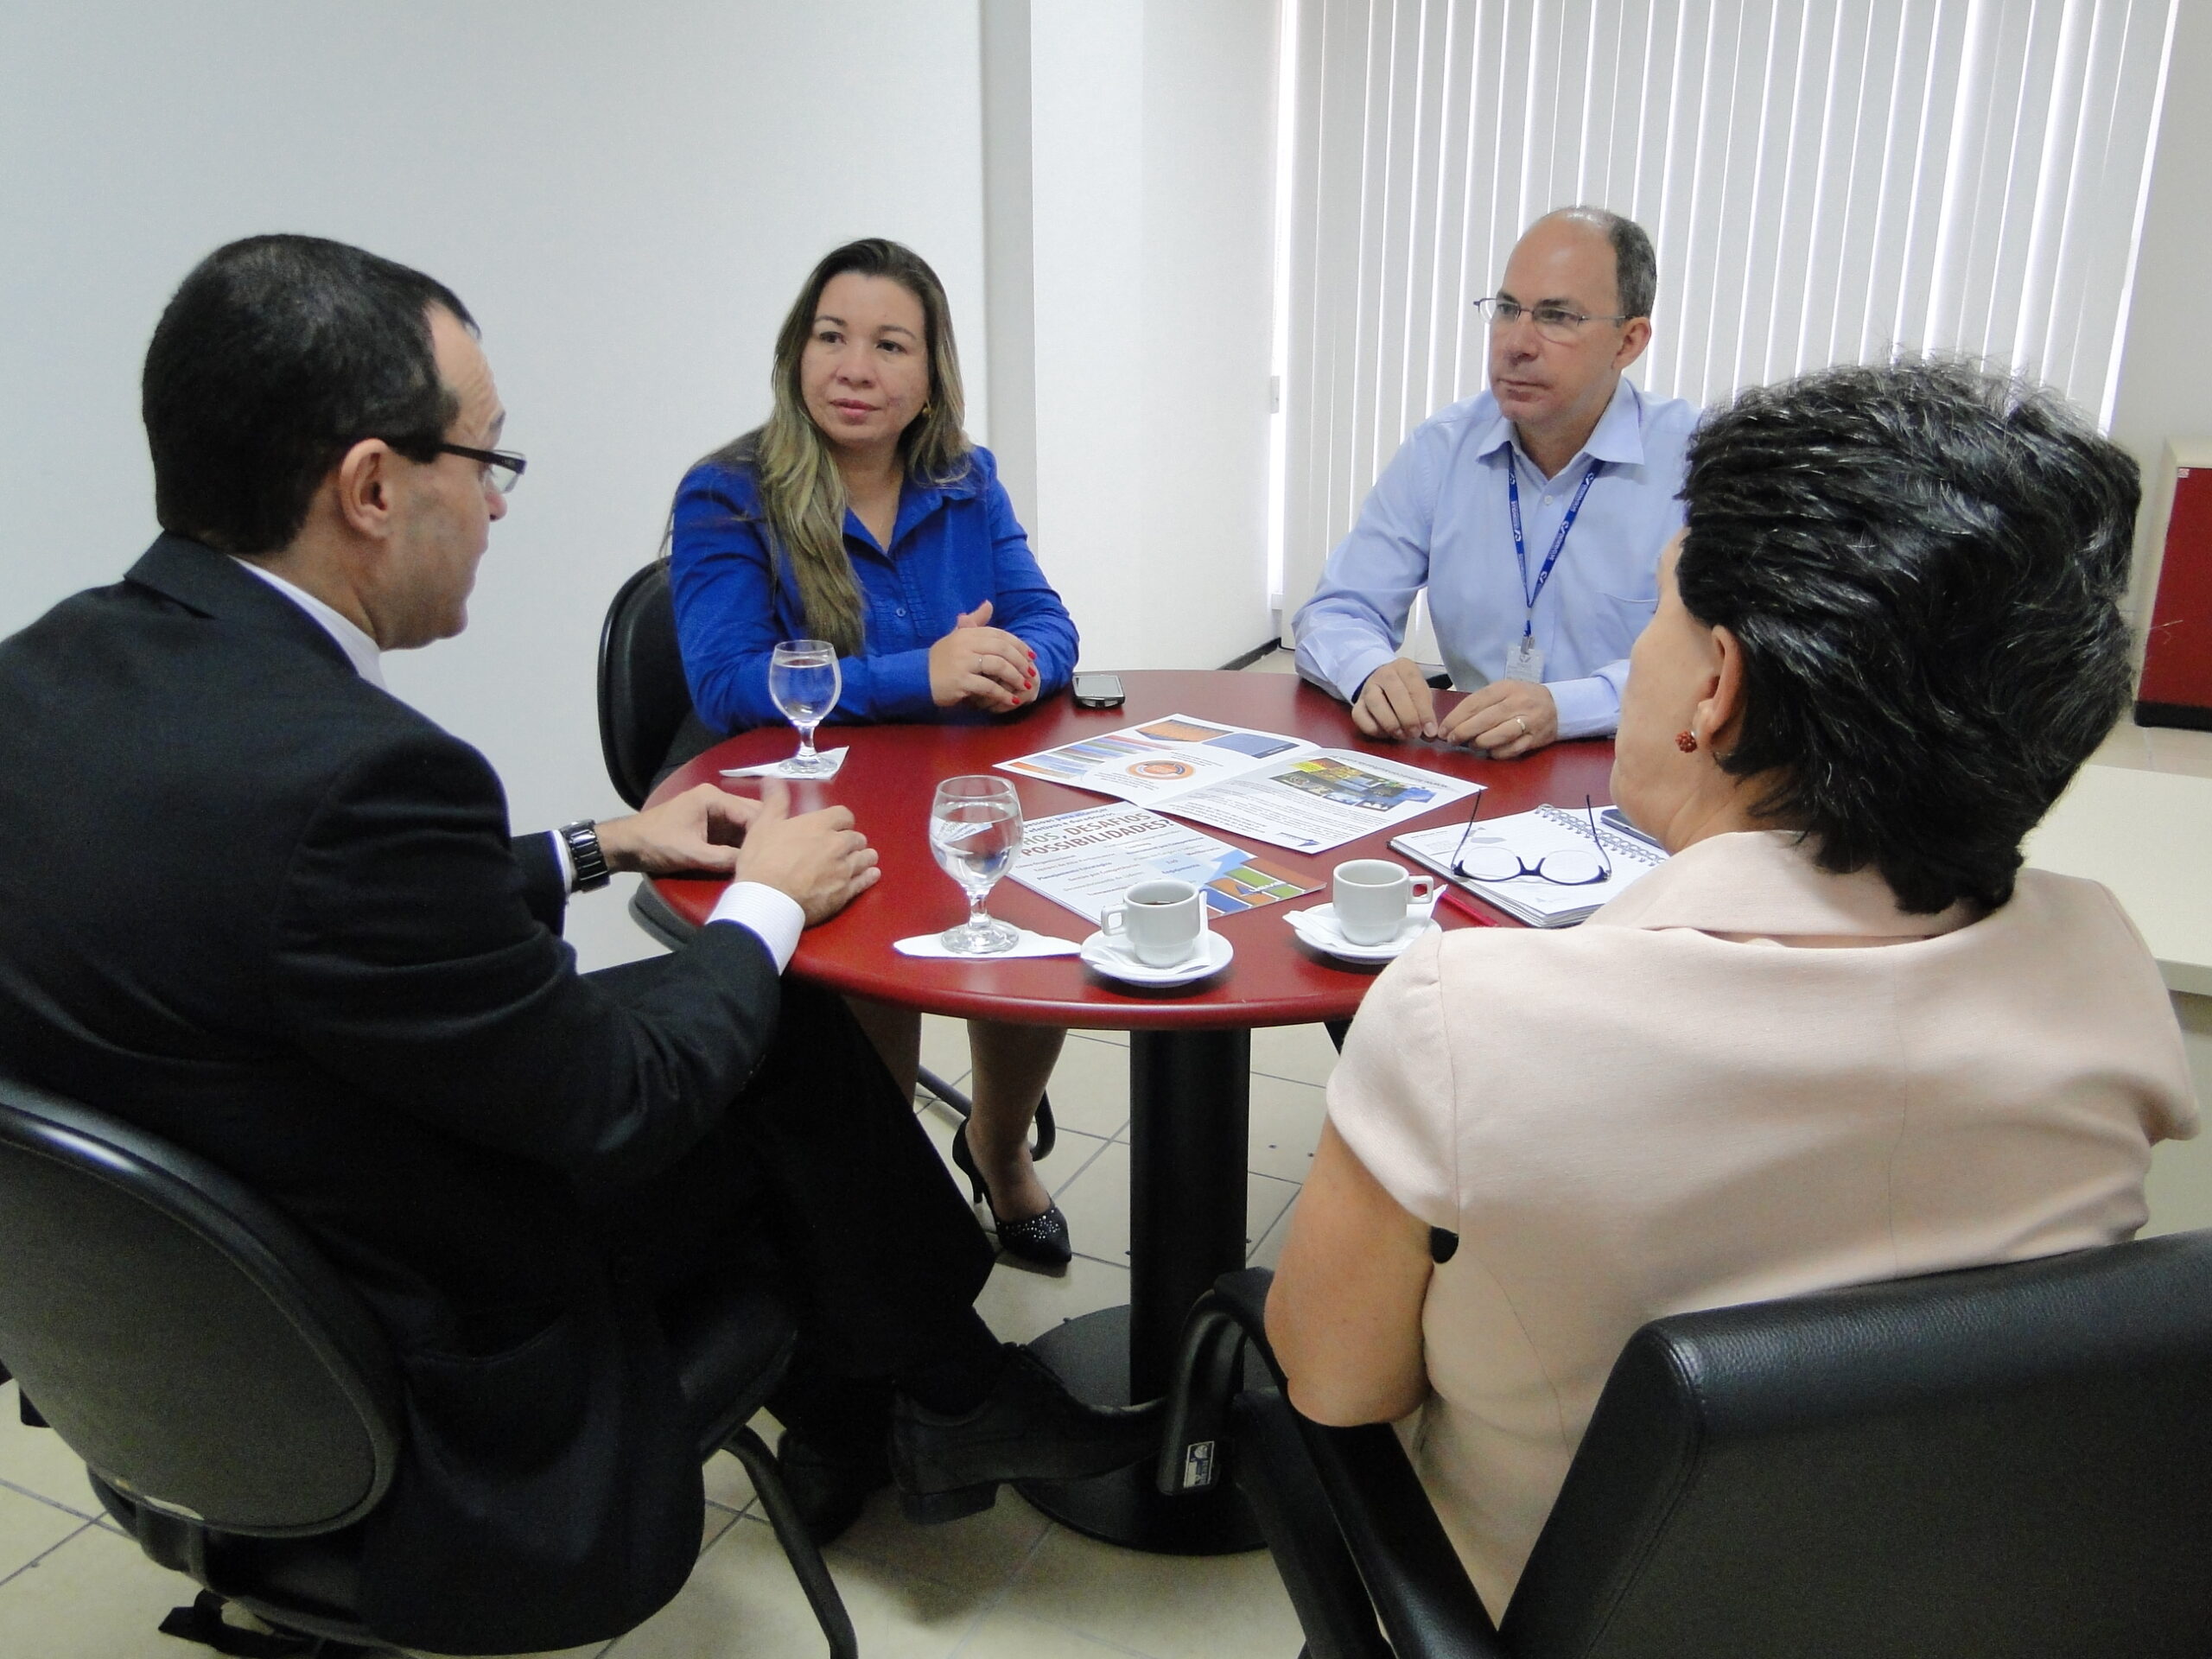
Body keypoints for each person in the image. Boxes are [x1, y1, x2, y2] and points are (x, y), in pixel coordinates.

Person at [0, 235, 1153, 1655]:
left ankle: (917, 1399)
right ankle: (956, 1396)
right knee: (773, 1038)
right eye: (486, 462)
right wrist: (771, 900)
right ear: (371, 488)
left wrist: (596, 847)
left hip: (181, 1323)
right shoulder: (368, 776)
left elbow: (285, 910)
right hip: (410, 1367)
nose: (496, 506)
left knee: (758, 1040)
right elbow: (616, 1104)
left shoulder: (43, 676)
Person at [1264, 358, 2200, 1621]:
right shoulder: (2104, 981)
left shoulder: (1464, 1015)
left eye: (1657, 611)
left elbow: (1333, 1384)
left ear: (1717, 685)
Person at [669, 238, 1077, 1267]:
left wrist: (1011, 661)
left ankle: (996, 1146)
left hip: (947, 790)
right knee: (869, 996)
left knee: (1027, 913)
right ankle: (891, 1216)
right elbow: (727, 682)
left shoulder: (964, 480)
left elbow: (1051, 624)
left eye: (890, 344)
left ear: (931, 373)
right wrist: (922, 673)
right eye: (831, 337)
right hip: (814, 809)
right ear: (795, 352)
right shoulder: (729, 494)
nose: (855, 368)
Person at [1292, 207, 1697, 758]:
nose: (1515, 343)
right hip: (1480, 764)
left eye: (1556, 316)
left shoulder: (1698, 465)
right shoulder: (1443, 450)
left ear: (1629, 342)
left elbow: (1727, 662)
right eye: (1507, 309)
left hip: (1644, 768)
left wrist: (1568, 707)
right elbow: (1338, 610)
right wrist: (1370, 670)